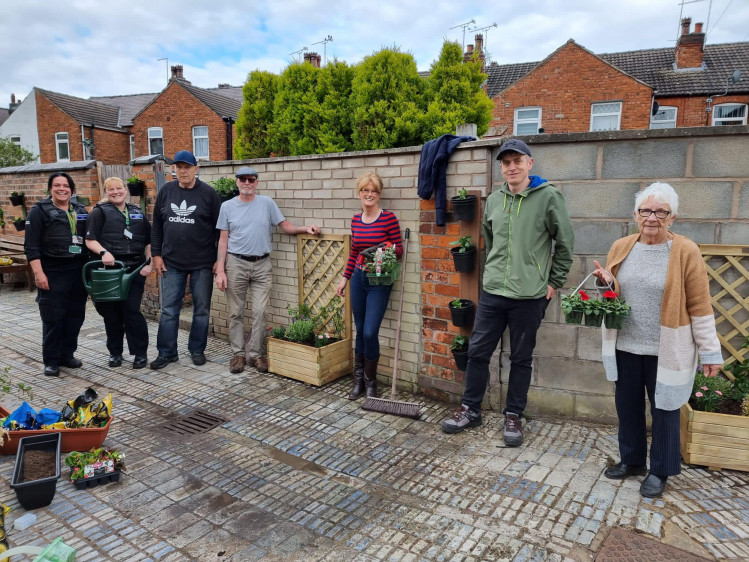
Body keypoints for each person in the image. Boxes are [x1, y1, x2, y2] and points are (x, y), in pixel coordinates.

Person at [592, 182, 722, 498]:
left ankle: (660, 470)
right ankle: (632, 461)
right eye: (646, 210)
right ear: (636, 215)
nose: (652, 217)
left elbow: (700, 304)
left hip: (667, 349)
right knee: (628, 406)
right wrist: (607, 284)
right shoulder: (621, 246)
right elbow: (613, 296)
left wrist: (710, 352)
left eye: (660, 211)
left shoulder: (685, 251)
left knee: (665, 409)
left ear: (672, 217)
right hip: (625, 344)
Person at [441, 139, 574, 446]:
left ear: (530, 163)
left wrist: (553, 282)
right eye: (505, 162)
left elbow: (565, 245)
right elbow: (489, 239)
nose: (511, 167)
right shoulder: (495, 200)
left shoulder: (549, 197)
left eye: (517, 161)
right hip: (493, 293)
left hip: (529, 296)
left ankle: (514, 414)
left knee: (521, 357)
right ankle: (470, 410)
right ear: (500, 168)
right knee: (477, 353)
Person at [215, 166, 321, 374]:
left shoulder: (266, 203)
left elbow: (285, 226)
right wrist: (220, 270)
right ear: (236, 182)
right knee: (235, 312)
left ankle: (255, 354)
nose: (247, 183)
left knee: (260, 311)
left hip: (262, 264)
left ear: (256, 182)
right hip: (236, 263)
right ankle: (237, 354)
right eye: (243, 179)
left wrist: (305, 229)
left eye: (251, 180)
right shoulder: (227, 207)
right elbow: (223, 240)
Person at [150, 150, 222, 369]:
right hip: (172, 262)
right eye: (179, 167)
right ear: (174, 169)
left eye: (187, 167)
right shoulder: (166, 191)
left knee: (201, 309)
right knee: (169, 310)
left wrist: (220, 260)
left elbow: (221, 230)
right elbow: (157, 226)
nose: (183, 171)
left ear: (196, 169)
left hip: (203, 262)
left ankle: (197, 349)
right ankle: (167, 352)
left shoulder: (209, 194)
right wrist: (156, 255)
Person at [336, 172, 402, 400]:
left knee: (370, 331)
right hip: (359, 279)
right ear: (359, 193)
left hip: (379, 281)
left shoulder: (388, 219)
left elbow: (399, 250)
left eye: (374, 191)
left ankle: (371, 382)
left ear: (379, 193)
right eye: (365, 190)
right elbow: (354, 251)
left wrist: (380, 251)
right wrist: (344, 279)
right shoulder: (356, 220)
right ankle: (359, 382)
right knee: (360, 329)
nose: (369, 194)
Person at [24, 172, 89, 376]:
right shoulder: (39, 211)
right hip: (52, 270)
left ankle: (67, 355)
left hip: (77, 270)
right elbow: (31, 246)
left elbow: (89, 237)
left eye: (65, 185)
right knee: (53, 317)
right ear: (50, 188)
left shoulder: (80, 210)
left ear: (71, 189)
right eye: (57, 185)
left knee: (75, 316)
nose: (62, 189)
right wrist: (38, 273)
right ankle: (51, 360)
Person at [85, 177, 153, 369]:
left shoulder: (137, 212)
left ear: (125, 190)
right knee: (112, 315)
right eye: (111, 189)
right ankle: (115, 353)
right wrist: (104, 252)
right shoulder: (99, 213)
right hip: (110, 272)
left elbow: (149, 240)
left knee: (132, 312)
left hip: (133, 271)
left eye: (119, 188)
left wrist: (148, 262)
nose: (116, 192)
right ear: (106, 192)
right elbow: (90, 240)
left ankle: (140, 353)